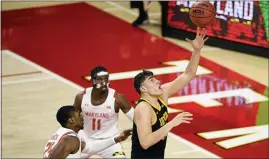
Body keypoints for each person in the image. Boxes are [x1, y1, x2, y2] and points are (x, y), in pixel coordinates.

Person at [131, 27, 208, 159]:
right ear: (143, 89)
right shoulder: (143, 108)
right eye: (151, 80)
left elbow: (188, 74)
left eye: (155, 78)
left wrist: (196, 51)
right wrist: (171, 124)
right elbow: (145, 142)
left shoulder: (163, 94)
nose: (157, 81)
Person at [73, 66, 134, 158]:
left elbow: (136, 118)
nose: (104, 82)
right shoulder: (81, 97)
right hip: (86, 140)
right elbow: (71, 120)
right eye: (100, 79)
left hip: (110, 141)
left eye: (106, 79)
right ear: (92, 81)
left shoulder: (117, 98)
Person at [43, 105, 132, 158]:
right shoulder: (69, 140)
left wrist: (117, 139)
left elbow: (90, 148)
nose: (82, 117)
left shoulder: (63, 134)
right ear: (71, 120)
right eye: (79, 115)